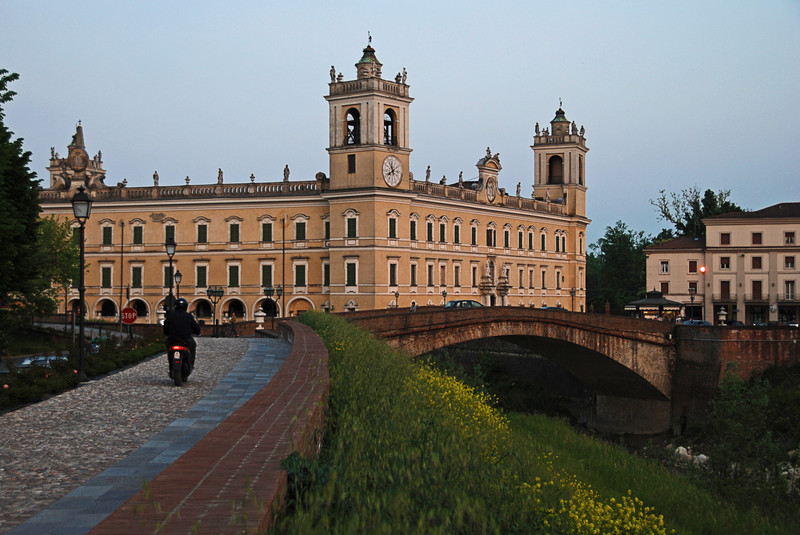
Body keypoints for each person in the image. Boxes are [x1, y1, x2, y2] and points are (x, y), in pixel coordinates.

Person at [163, 298, 201, 376]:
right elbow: (195, 327)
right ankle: (191, 363)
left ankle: (171, 367)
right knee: (193, 346)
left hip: (172, 339)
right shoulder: (189, 316)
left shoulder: (170, 315)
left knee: (169, 350)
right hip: (186, 339)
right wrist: (197, 332)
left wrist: (166, 333)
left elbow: (165, 327)